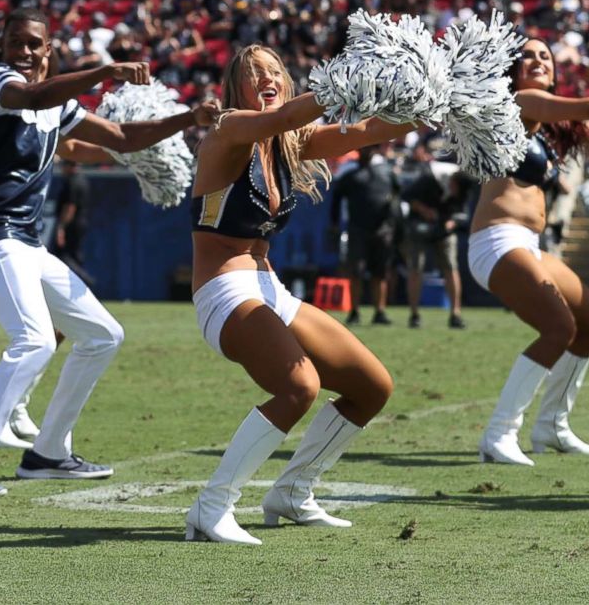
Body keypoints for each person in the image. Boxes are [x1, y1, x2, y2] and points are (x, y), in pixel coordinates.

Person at [0, 7, 219, 497]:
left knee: (103, 334)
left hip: (25, 242)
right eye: (15, 42)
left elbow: (125, 138)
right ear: (1, 48)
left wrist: (189, 118)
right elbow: (35, 93)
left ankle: (48, 453)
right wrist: (104, 72)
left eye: (34, 44)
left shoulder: (56, 105)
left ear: (50, 49)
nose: (24, 52)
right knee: (35, 340)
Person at [185, 44, 404, 545]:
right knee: (299, 386)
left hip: (270, 289)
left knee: (372, 387)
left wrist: (430, 104)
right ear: (235, 88)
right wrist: (343, 82)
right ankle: (210, 506)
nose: (267, 77)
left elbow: (370, 131)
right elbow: (286, 113)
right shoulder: (229, 128)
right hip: (224, 291)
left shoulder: (288, 143)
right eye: (253, 72)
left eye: (275, 71)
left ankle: (293, 491)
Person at [469, 38, 589, 466]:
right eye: (528, 56)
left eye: (545, 56)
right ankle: (499, 433)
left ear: (555, 72)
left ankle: (551, 425)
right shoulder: (517, 103)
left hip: (529, 246)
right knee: (558, 327)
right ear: (513, 70)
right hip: (495, 242)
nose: (537, 60)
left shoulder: (549, 130)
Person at [396, 137, 468, 328]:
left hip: (443, 228)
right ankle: (414, 314)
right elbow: (405, 195)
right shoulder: (429, 176)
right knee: (415, 268)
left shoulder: (463, 184)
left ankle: (455, 313)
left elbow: (462, 211)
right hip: (419, 225)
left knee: (451, 267)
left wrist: (451, 222)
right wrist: (424, 211)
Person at [330, 143, 398, 325]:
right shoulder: (350, 175)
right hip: (357, 229)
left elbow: (397, 195)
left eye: (370, 148)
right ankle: (354, 311)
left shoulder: (386, 171)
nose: (367, 151)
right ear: (358, 150)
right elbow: (336, 200)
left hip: (382, 230)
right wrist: (335, 223)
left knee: (380, 272)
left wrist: (393, 221)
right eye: (364, 148)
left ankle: (380, 311)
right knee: (356, 272)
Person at [49, 159, 95, 290]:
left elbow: (70, 207)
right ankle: (81, 285)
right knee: (74, 256)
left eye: (64, 165)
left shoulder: (72, 182)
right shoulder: (82, 180)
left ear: (70, 166)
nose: (62, 169)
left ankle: (86, 282)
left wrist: (61, 228)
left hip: (72, 225)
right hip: (80, 223)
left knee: (63, 256)